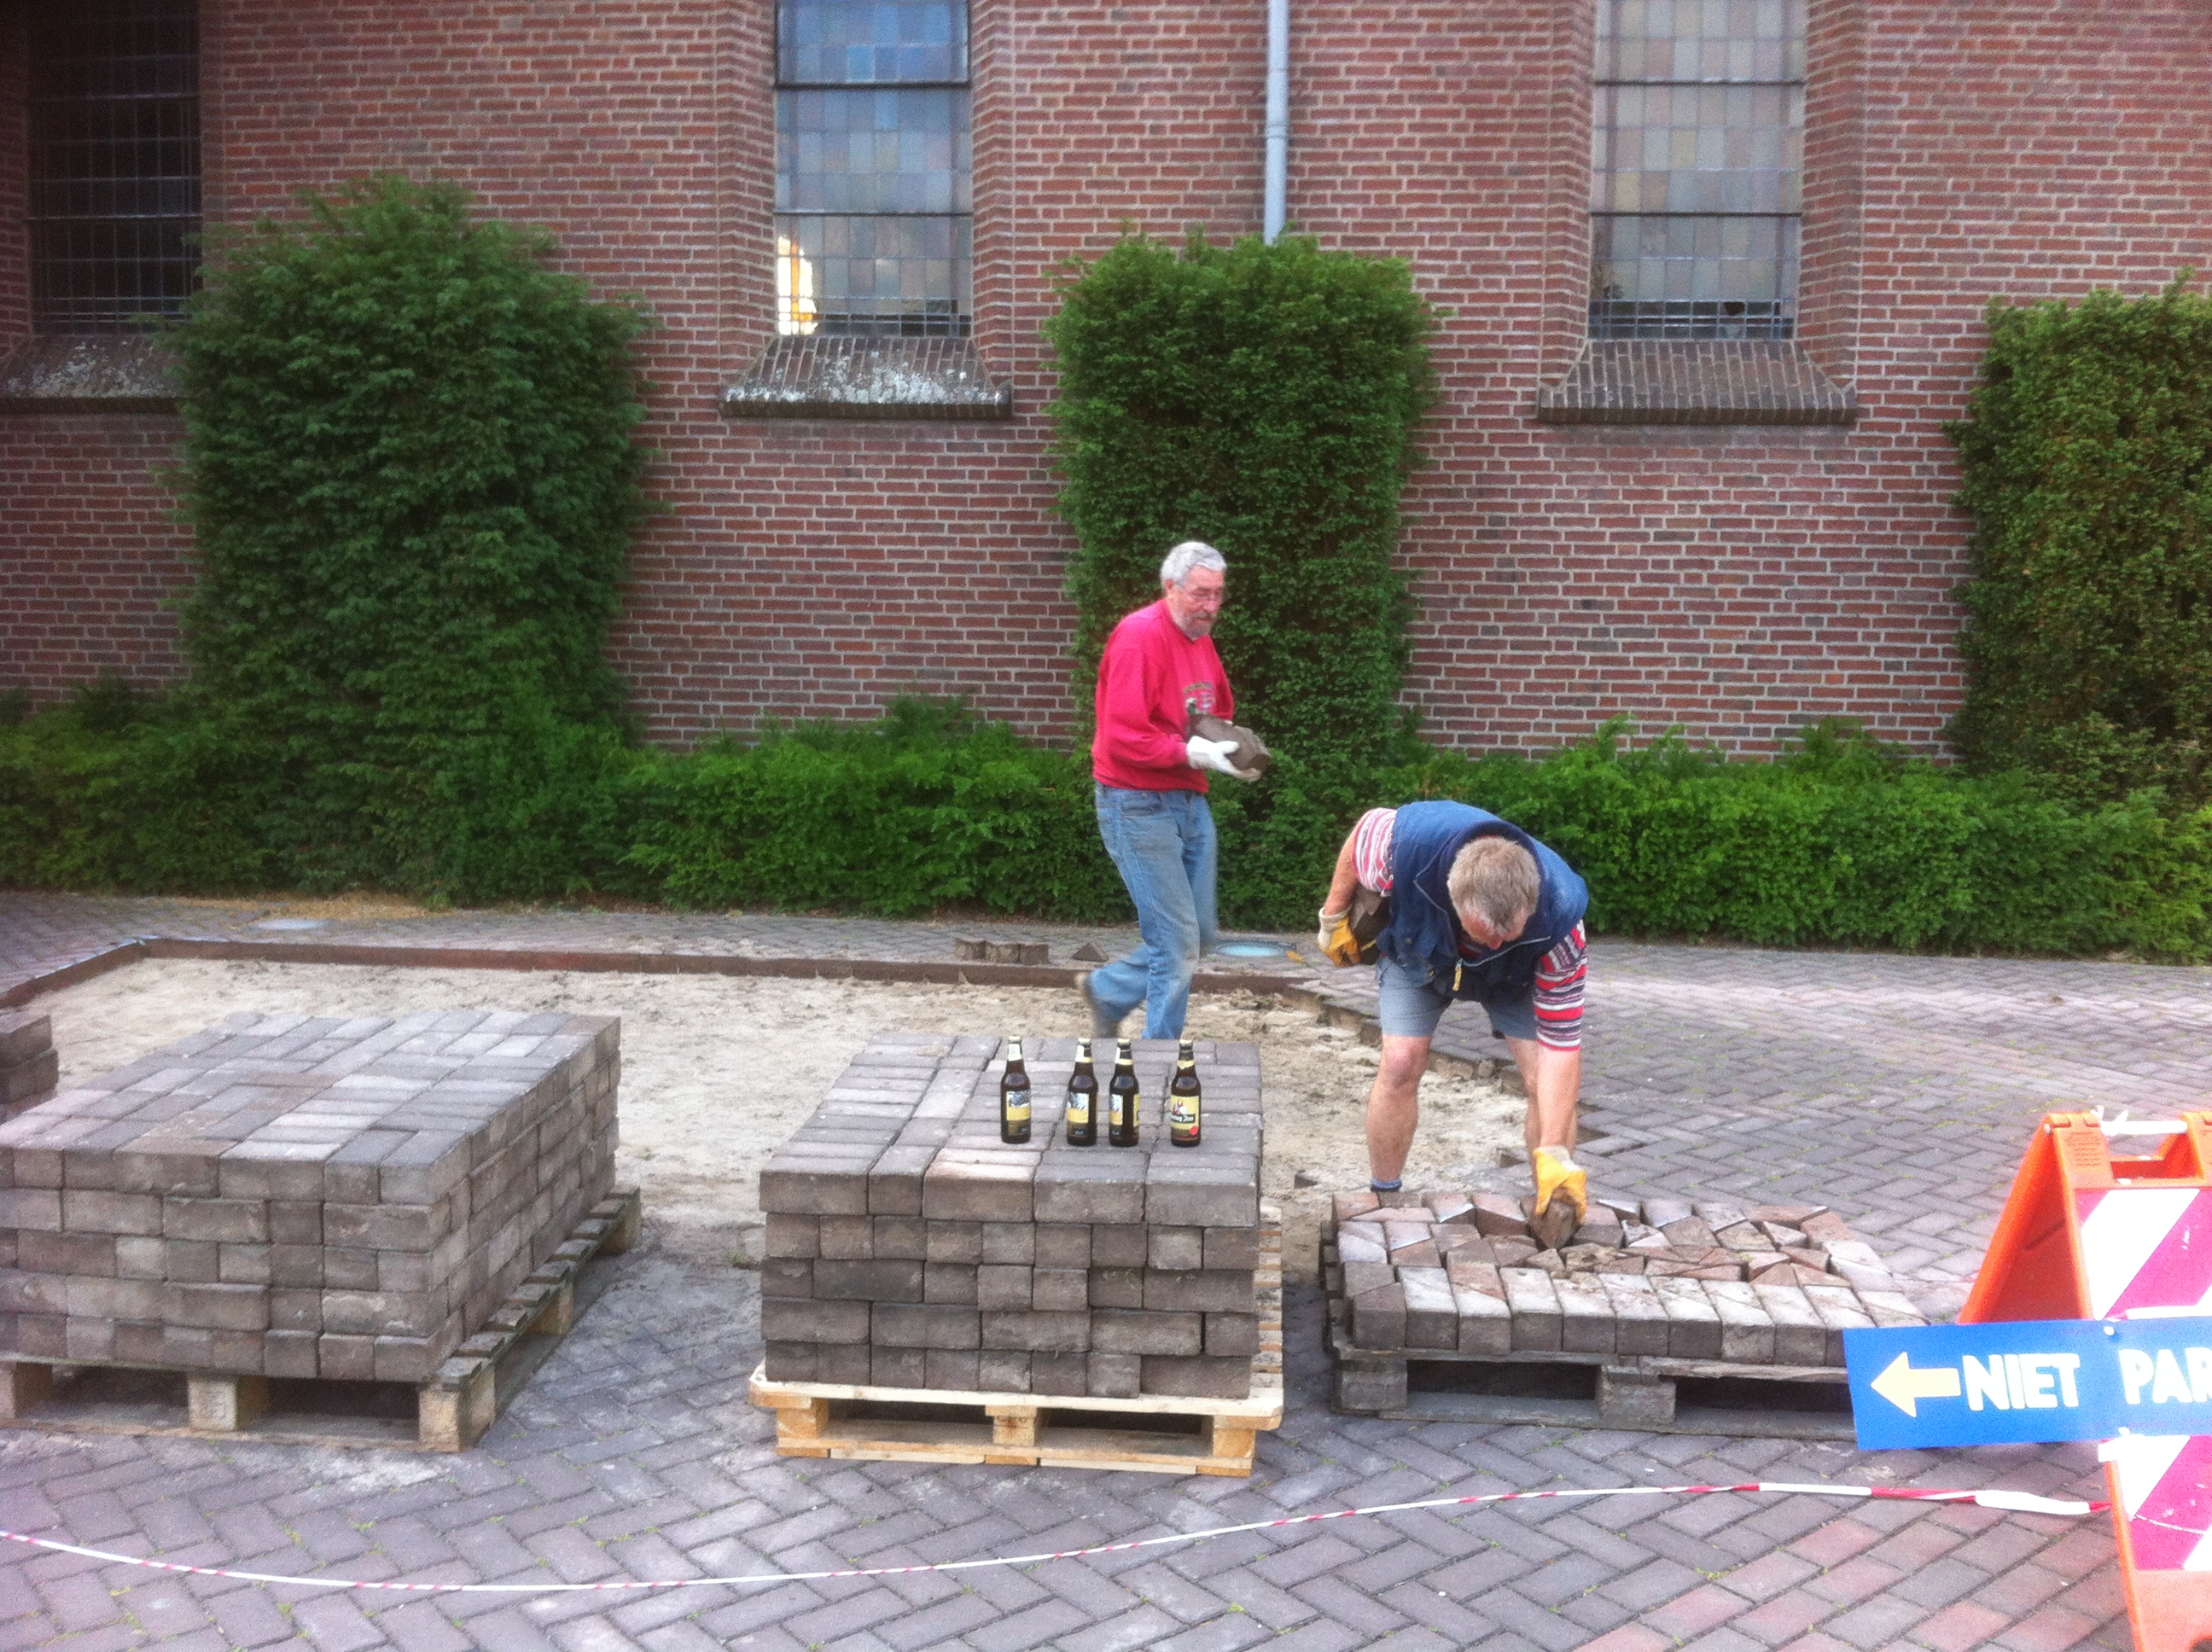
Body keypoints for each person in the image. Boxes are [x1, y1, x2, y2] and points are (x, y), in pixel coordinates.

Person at [1317, 800, 1592, 1224]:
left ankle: (1551, 1207)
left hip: (1515, 975)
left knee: (1543, 1081)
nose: (1493, 945)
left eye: (1506, 936)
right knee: (1401, 1063)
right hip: (1419, 950)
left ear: (1531, 902)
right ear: (1453, 895)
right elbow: (1364, 832)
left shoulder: (1561, 926)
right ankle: (1383, 1198)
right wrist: (1333, 916)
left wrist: (1555, 1151)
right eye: (1484, 935)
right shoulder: (1404, 847)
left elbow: (1563, 1048)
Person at [1083, 540, 1256, 1039]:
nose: (1211, 606)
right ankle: (1159, 1059)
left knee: (1199, 933)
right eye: (1201, 594)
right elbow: (1121, 736)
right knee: (1178, 942)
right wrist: (1191, 754)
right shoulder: (1138, 638)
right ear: (1171, 587)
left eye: (1218, 595)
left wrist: (1231, 752)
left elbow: (1216, 710)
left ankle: (1109, 990)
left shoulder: (1201, 640)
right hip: (1136, 802)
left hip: (1187, 799)